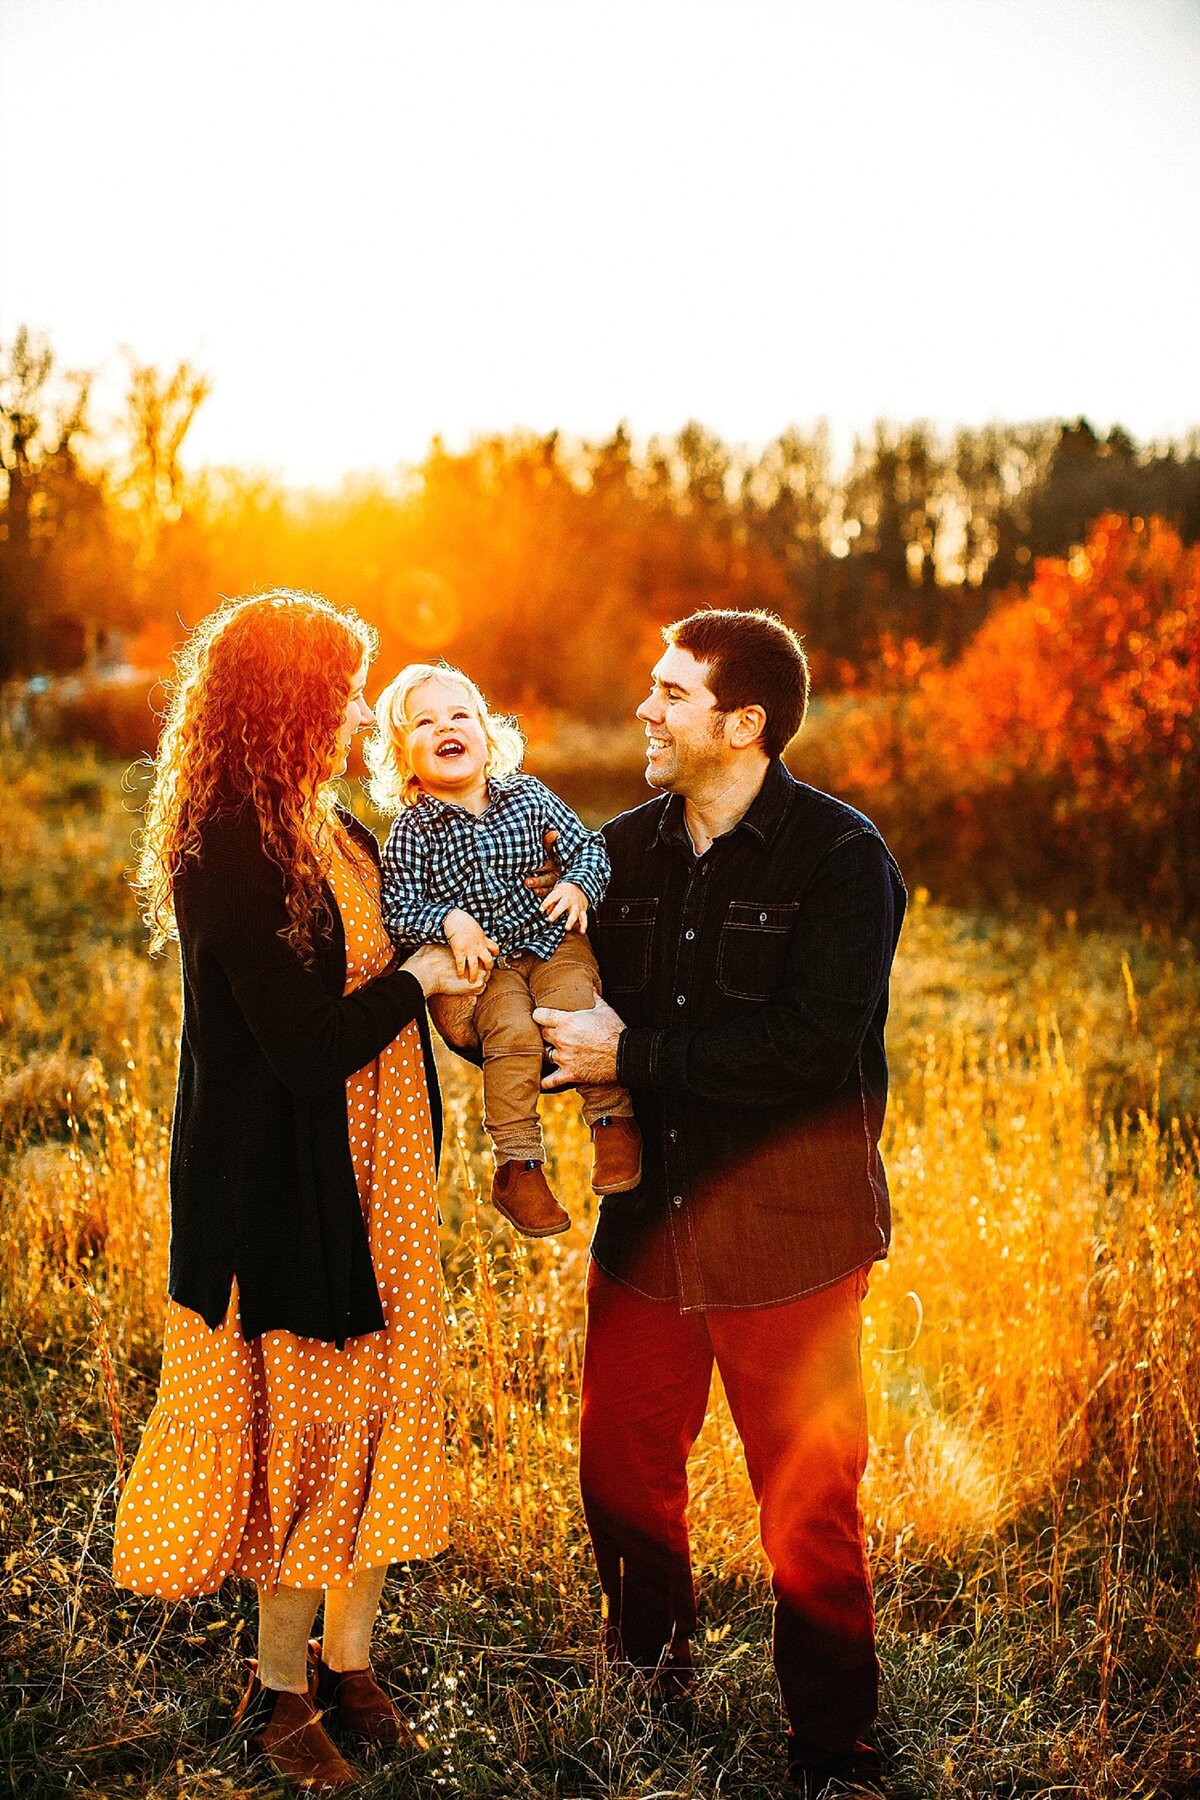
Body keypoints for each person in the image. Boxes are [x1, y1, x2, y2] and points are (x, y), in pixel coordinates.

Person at [111, 592, 481, 1792]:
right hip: (288, 1190)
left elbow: (392, 954)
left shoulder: (322, 819)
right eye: (333, 694)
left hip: (376, 1179)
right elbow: (307, 1046)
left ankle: (352, 1659)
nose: (347, 720)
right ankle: (279, 1699)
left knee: (378, 1423)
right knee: (309, 1443)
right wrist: (418, 974)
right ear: (283, 704)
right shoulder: (230, 846)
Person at [533, 609, 906, 1798]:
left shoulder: (842, 861)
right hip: (649, 1234)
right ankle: (652, 1685)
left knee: (807, 1504)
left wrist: (628, 1052)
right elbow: (564, 990)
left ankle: (834, 1747)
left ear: (743, 724)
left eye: (670, 693)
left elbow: (809, 1046)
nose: (645, 709)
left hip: (794, 1241)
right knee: (621, 1471)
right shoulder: (617, 855)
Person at [365, 660, 642, 1238]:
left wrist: (574, 883)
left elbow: (589, 848)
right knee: (511, 1033)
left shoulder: (528, 797)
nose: (446, 727)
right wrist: (450, 920)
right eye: (423, 722)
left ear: (488, 738)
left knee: (573, 1004)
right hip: (488, 970)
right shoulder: (412, 833)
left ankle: (613, 1121)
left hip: (550, 944)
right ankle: (519, 1163)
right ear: (401, 759)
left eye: (460, 714)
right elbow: (397, 911)